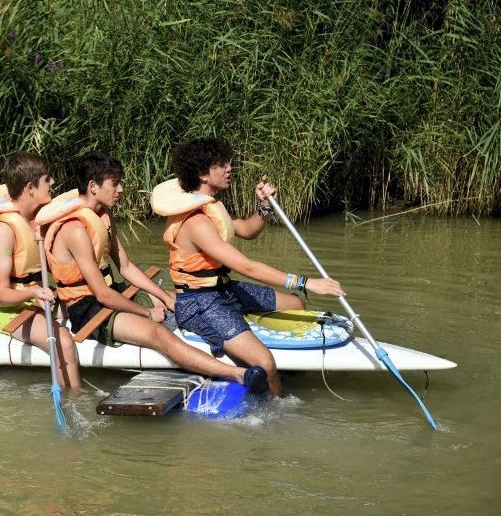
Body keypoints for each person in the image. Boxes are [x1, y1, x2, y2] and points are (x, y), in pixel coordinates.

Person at [40, 152, 267, 391]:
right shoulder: (75, 229)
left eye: (121, 182)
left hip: (112, 293)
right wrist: (147, 313)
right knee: (158, 334)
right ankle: (238, 374)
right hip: (86, 309)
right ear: (93, 186)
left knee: (176, 300)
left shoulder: (103, 216)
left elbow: (126, 267)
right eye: (114, 183)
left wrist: (164, 296)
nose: (121, 189)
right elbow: (102, 295)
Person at [159, 138, 346, 396]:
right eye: (221, 165)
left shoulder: (213, 205)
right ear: (203, 173)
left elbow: (247, 230)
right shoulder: (195, 221)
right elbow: (247, 266)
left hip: (224, 291)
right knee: (265, 362)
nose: (229, 168)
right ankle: (279, 409)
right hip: (200, 303)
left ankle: (293, 374)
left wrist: (265, 206)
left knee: (296, 305)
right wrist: (305, 282)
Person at [0, 151, 81, 388]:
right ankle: (76, 406)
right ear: (31, 187)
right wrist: (33, 294)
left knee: (85, 305)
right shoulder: (2, 229)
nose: (52, 183)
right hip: (7, 308)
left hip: (38, 297)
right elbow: (1, 294)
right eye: (47, 179)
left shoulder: (38, 219)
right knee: (63, 342)